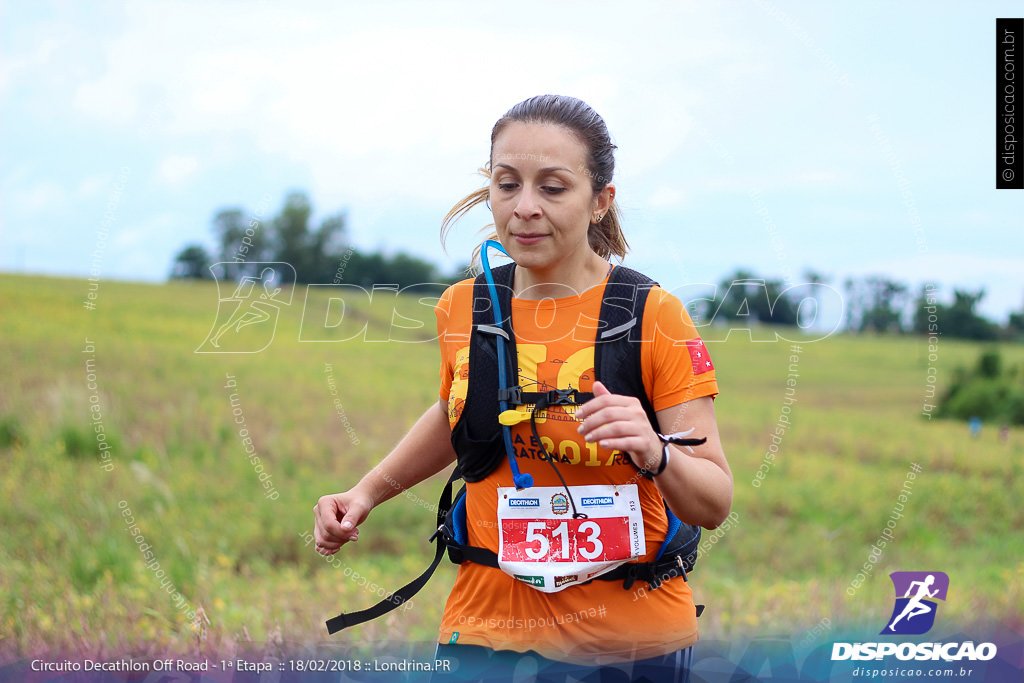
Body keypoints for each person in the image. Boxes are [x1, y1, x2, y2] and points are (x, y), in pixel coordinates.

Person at [313, 94, 733, 682]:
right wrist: (363, 494)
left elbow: (714, 502)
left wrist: (655, 450)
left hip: (633, 648)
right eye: (507, 184)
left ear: (600, 202)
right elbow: (455, 412)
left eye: (553, 187)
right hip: (483, 638)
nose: (524, 207)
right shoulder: (464, 306)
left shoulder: (653, 316)